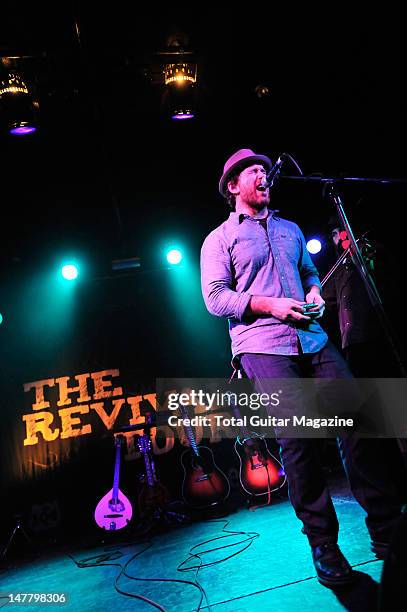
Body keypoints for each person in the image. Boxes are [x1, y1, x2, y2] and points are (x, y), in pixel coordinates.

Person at [200, 148, 405, 588]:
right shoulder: (219, 239)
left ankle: (388, 530)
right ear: (233, 186)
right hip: (263, 346)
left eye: (264, 170)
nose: (262, 175)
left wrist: (313, 294)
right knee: (299, 440)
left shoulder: (290, 229)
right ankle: (324, 544)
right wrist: (268, 304)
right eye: (252, 171)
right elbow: (215, 298)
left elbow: (310, 274)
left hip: (312, 338)